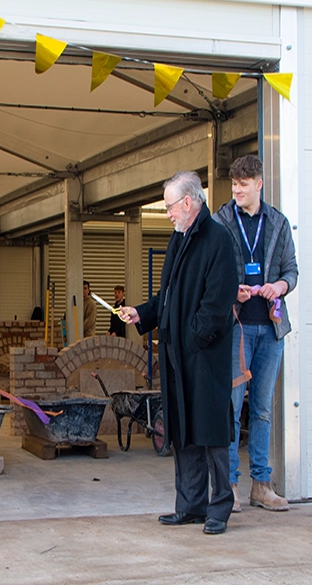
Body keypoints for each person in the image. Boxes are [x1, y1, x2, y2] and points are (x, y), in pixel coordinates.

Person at [119, 171, 238, 535]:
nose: (168, 213)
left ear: (188, 203)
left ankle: (219, 508)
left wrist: (193, 339)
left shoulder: (218, 239)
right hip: (177, 353)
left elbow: (217, 304)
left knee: (211, 433)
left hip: (203, 354)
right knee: (183, 430)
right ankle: (190, 505)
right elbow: (167, 296)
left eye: (170, 206)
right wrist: (143, 313)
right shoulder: (179, 238)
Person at [212, 155, 299, 513]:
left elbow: (292, 271)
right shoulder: (220, 222)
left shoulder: (278, 222)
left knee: (262, 410)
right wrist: (233, 289)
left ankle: (261, 484)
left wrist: (278, 286)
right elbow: (212, 272)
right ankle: (230, 484)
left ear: (259, 184)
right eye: (233, 185)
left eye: (243, 185)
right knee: (231, 409)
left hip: (271, 329)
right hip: (236, 329)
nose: (237, 191)